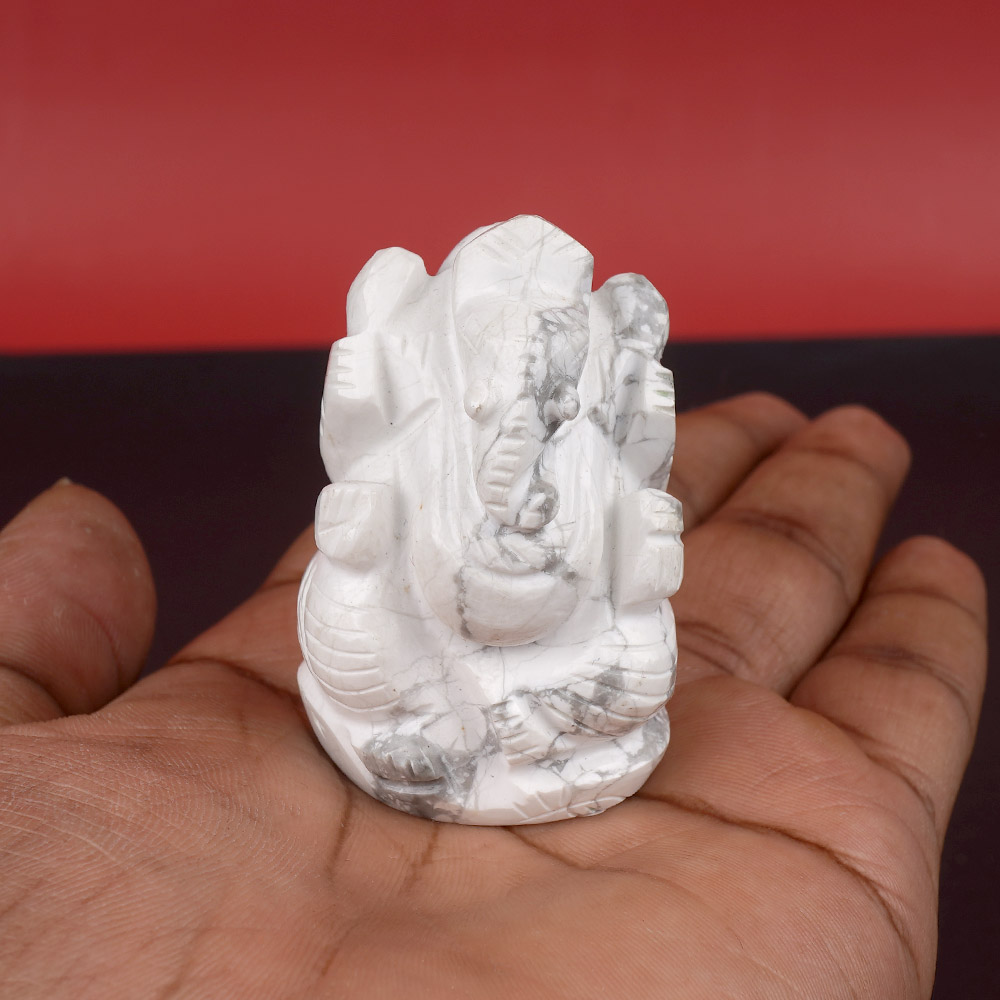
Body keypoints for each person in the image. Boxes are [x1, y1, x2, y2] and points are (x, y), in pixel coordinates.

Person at [0, 393, 986, 999]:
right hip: (425, 664)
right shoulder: (430, 443)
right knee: (354, 614)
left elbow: (628, 590)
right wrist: (366, 546)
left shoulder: (590, 455)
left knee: (641, 647)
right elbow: (377, 547)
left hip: (556, 661)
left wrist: (631, 559)